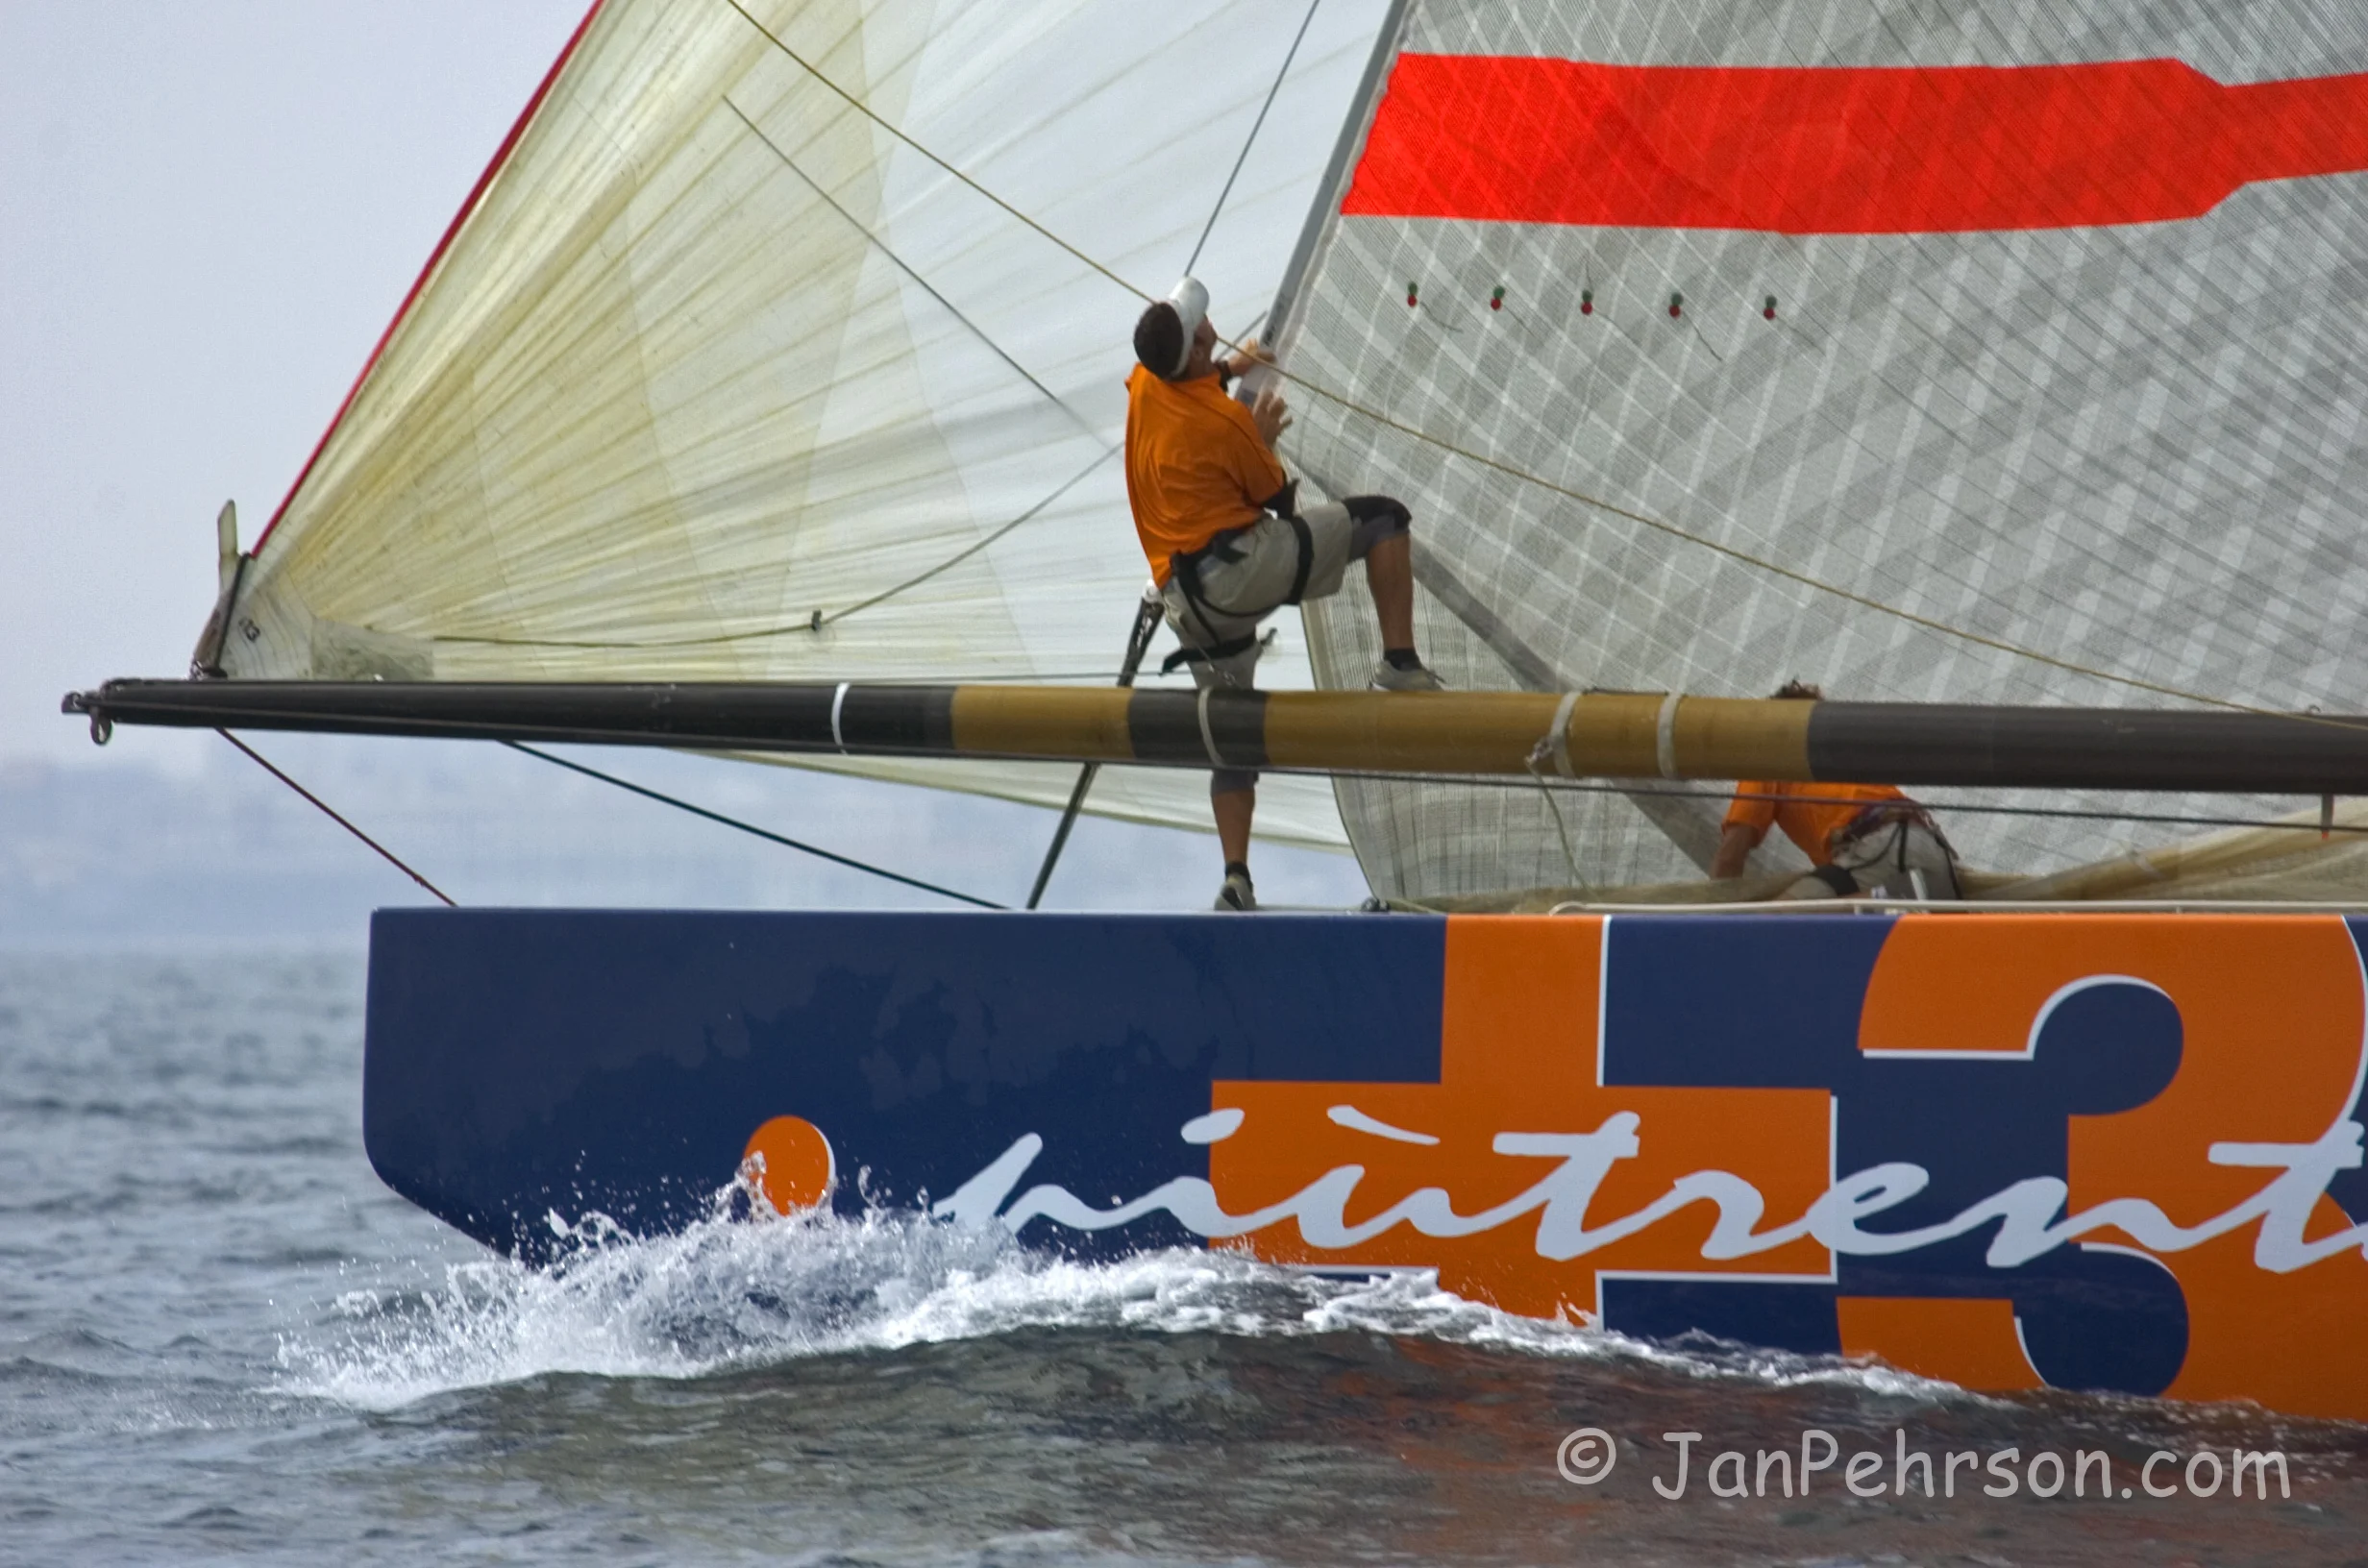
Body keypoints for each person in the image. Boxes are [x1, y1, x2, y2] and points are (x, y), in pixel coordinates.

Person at [1125, 277, 1443, 912]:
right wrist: (1261, 435)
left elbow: (1190, 387)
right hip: (1237, 576)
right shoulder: (1227, 423)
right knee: (1382, 520)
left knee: (1231, 731)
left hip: (1184, 606)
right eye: (1202, 327)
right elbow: (1276, 501)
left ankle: (1235, 875)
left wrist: (1230, 364)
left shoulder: (1144, 382)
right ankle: (1400, 664)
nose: (1209, 324)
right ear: (1191, 350)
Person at [1706, 682, 1962, 900]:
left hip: (1879, 848)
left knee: (1776, 925)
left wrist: (1712, 923)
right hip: (1929, 846)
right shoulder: (1844, 753)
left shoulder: (1772, 754)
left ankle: (1892, 902)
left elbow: (1731, 855)